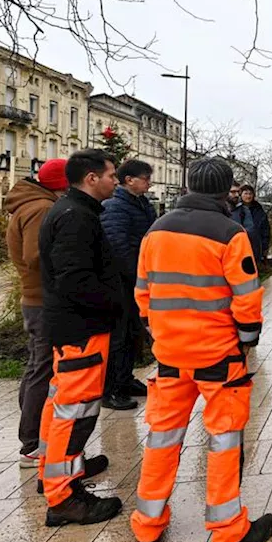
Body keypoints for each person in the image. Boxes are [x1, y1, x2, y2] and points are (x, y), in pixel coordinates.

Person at [131, 157, 272, 542]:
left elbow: (143, 293)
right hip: (218, 355)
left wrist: (158, 332)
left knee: (162, 438)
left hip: (170, 356)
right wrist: (247, 342)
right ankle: (228, 531)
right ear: (226, 190)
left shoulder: (156, 231)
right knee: (224, 439)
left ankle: (148, 524)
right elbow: (247, 297)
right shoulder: (231, 233)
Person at [37, 149, 127, 525]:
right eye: (111, 175)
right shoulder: (76, 218)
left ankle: (55, 472)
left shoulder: (73, 212)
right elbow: (75, 279)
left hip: (72, 326)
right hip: (82, 329)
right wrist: (114, 303)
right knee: (74, 413)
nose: (116, 182)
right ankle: (62, 498)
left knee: (61, 405)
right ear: (91, 178)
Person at [7, 158, 68, 465]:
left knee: (37, 365)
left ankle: (31, 436)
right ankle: (31, 442)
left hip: (35, 298)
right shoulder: (41, 208)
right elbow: (35, 255)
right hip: (41, 299)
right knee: (41, 367)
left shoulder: (30, 204)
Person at [100, 158, 157, 410]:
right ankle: (111, 388)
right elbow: (118, 246)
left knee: (133, 333)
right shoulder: (115, 207)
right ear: (129, 180)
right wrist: (137, 277)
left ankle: (125, 378)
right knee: (119, 336)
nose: (149, 183)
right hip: (123, 283)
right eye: (145, 178)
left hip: (137, 280)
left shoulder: (141, 204)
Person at [232, 185, 271, 263]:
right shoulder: (235, 210)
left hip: (255, 244)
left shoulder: (259, 210)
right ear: (241, 195)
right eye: (246, 193)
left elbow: (265, 229)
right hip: (239, 245)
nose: (248, 196)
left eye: (250, 194)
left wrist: (264, 246)